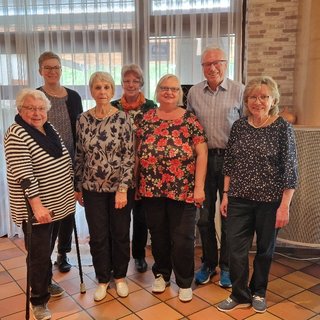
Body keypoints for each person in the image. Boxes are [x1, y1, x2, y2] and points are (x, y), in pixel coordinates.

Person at [217, 76, 298, 313]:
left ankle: (259, 291)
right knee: (235, 248)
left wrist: (285, 206)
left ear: (273, 99)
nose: (258, 101)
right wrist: (226, 194)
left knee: (265, 249)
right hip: (239, 200)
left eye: (264, 96)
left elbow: (290, 169)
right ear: (246, 100)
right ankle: (239, 293)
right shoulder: (239, 126)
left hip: (270, 203)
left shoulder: (283, 127)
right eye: (253, 96)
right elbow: (230, 163)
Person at [4, 89, 76, 320]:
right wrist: (37, 207)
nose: (36, 113)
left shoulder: (48, 128)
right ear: (19, 110)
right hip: (38, 208)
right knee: (38, 254)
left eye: (41, 108)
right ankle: (38, 300)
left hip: (56, 203)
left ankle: (45, 282)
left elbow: (61, 160)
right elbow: (24, 175)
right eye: (30, 108)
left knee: (46, 250)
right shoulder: (16, 134)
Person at [136, 74, 208, 302]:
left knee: (183, 237)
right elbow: (137, 152)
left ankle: (185, 281)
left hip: (183, 189)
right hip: (151, 189)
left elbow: (202, 153)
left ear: (180, 94)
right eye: (165, 88)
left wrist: (199, 188)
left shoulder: (190, 120)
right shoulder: (145, 118)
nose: (169, 92)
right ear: (157, 92)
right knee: (157, 235)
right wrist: (135, 182)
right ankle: (162, 274)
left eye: (174, 89)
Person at [74, 71, 134, 302]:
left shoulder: (123, 119)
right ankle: (102, 279)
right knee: (98, 235)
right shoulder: (82, 119)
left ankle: (119, 277)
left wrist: (122, 188)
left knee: (119, 234)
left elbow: (129, 155)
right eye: (97, 87)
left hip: (119, 188)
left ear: (112, 91)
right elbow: (79, 155)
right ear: (91, 91)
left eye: (106, 87)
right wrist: (77, 186)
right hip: (91, 189)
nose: (102, 92)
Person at [187, 46, 244, 287]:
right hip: (202, 161)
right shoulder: (193, 93)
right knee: (204, 216)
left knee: (230, 216)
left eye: (217, 62)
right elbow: (188, 128)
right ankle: (209, 263)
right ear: (202, 67)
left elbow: (246, 130)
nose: (212, 68)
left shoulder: (240, 91)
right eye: (206, 64)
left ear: (226, 63)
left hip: (232, 162)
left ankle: (228, 267)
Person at [37, 51, 83, 273]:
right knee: (48, 211)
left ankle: (62, 253)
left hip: (70, 163)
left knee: (68, 211)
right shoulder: (36, 97)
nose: (52, 71)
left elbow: (81, 132)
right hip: (44, 166)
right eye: (48, 68)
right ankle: (44, 255)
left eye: (56, 67)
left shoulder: (73, 97)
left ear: (61, 70)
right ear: (40, 71)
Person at [111, 64, 157, 273]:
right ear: (122, 83)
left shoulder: (151, 106)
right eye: (127, 80)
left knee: (141, 216)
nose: (131, 84)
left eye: (135, 81)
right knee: (119, 216)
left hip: (145, 168)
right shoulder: (112, 107)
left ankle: (138, 255)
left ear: (141, 83)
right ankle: (116, 257)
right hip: (117, 168)